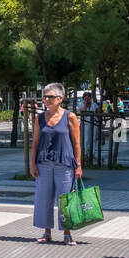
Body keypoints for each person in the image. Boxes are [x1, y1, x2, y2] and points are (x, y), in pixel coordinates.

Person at [32, 82, 83, 245]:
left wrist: (79, 165)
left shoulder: (70, 117)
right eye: (44, 97)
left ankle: (67, 233)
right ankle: (46, 232)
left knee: (65, 199)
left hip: (65, 163)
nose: (46, 99)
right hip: (44, 163)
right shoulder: (39, 118)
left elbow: (76, 143)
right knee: (43, 198)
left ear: (60, 99)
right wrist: (32, 164)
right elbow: (35, 143)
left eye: (50, 97)